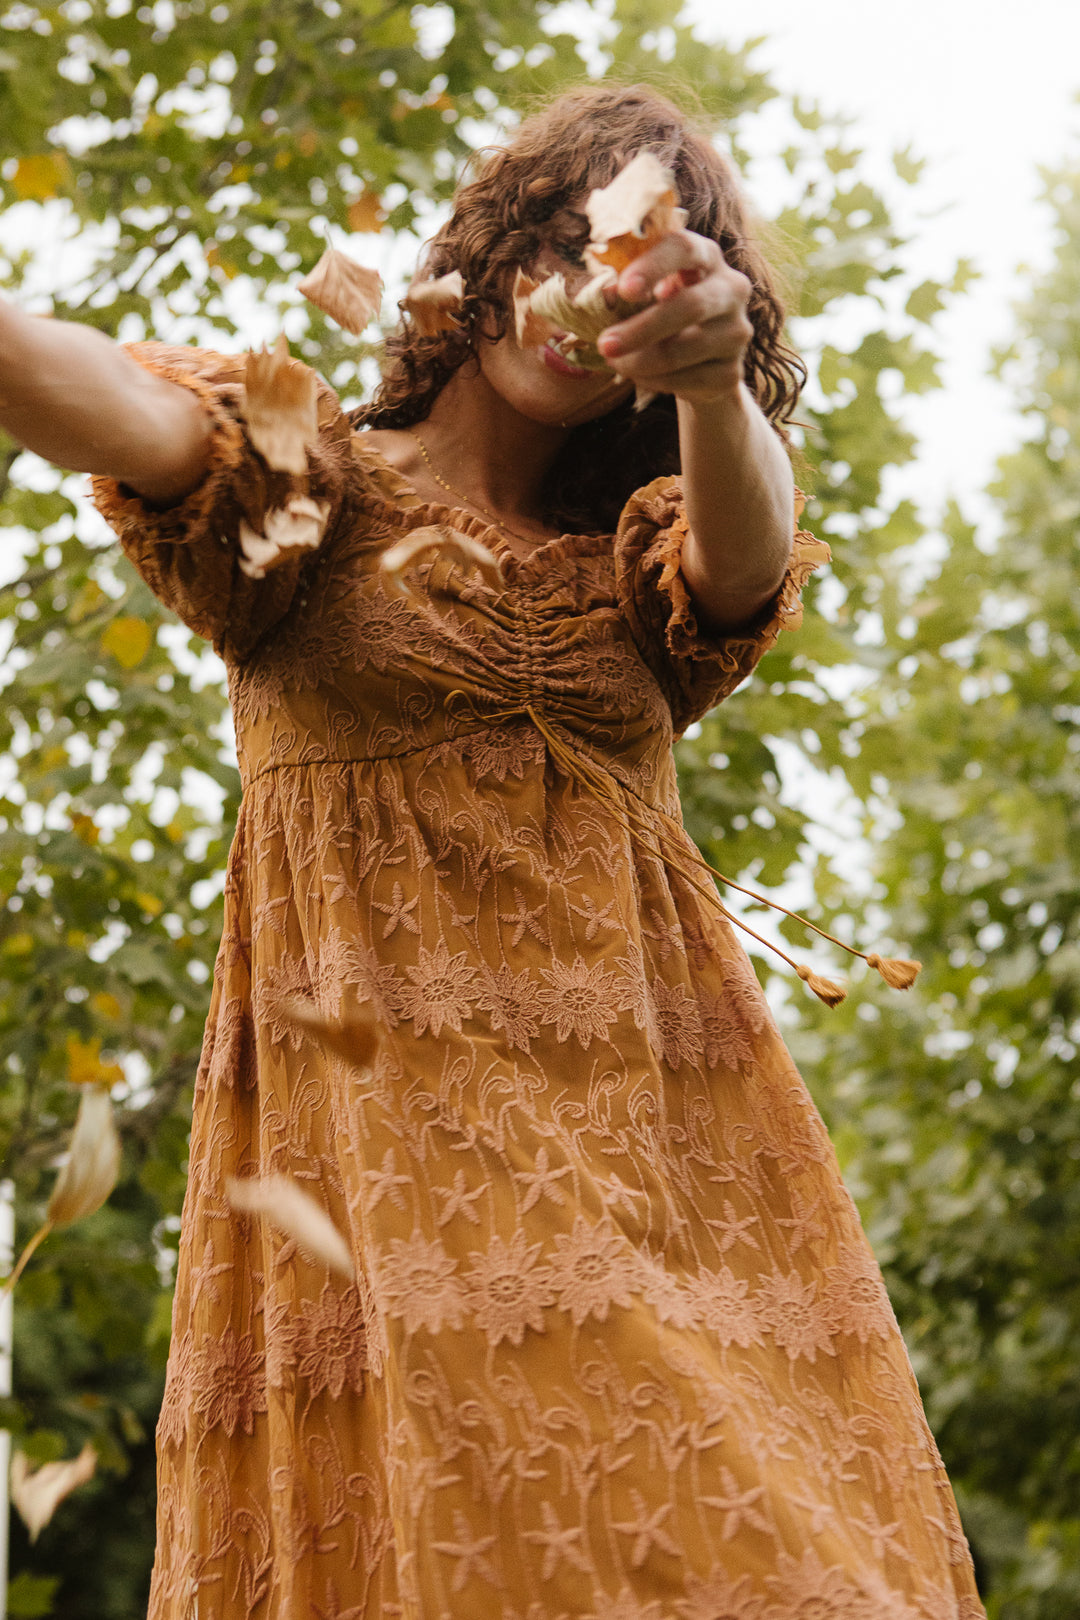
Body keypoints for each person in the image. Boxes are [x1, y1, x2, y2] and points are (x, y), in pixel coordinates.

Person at [0, 82, 983, 1620]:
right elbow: (115, 402)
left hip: (670, 1159)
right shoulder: (307, 496)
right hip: (397, 1158)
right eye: (567, 244)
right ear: (499, 246)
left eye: (638, 282)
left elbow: (746, 561)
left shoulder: (642, 561)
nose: (583, 301)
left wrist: (721, 391)